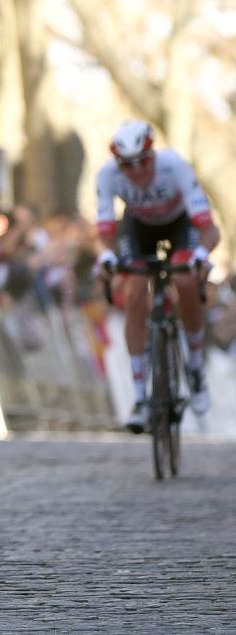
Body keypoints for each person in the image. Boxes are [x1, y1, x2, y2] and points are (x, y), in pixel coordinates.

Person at [94, 120, 218, 433]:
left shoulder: (174, 165)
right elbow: (105, 230)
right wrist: (106, 256)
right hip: (139, 228)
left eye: (142, 162)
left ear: (153, 154)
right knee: (134, 289)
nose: (135, 172)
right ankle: (140, 399)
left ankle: (195, 368)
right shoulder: (107, 175)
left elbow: (208, 229)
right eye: (127, 165)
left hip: (180, 225)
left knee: (184, 279)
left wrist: (201, 255)